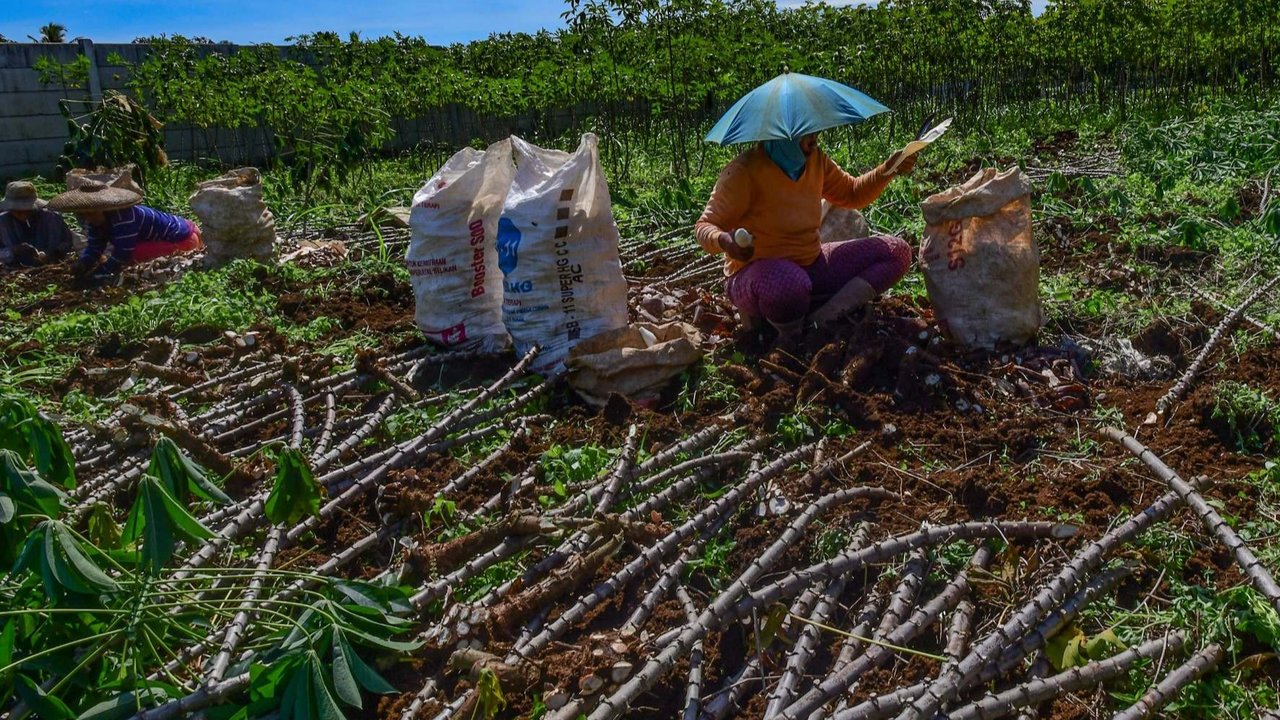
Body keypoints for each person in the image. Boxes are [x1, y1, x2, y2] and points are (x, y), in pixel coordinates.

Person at [695, 133, 917, 346]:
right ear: (781, 134)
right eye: (805, 133)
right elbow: (705, 225)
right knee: (788, 283)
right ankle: (790, 338)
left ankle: (822, 321)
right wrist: (725, 241)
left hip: (812, 263)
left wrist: (888, 169)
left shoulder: (815, 161)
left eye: (814, 130)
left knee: (896, 251)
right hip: (755, 277)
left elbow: (851, 193)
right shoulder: (743, 171)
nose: (814, 138)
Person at [47, 181, 203, 284]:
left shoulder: (124, 218)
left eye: (91, 213)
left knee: (132, 255)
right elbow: (95, 247)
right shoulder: (95, 222)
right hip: (183, 232)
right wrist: (83, 263)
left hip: (184, 238)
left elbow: (123, 253)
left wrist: (99, 273)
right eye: (84, 214)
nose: (88, 217)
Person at [0, 181, 77, 268]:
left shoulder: (51, 218)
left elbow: (67, 241)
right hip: (12, 271)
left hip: (49, 268)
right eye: (17, 210)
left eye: (26, 210)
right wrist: (14, 250)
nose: (22, 214)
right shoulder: (2, 222)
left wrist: (51, 254)